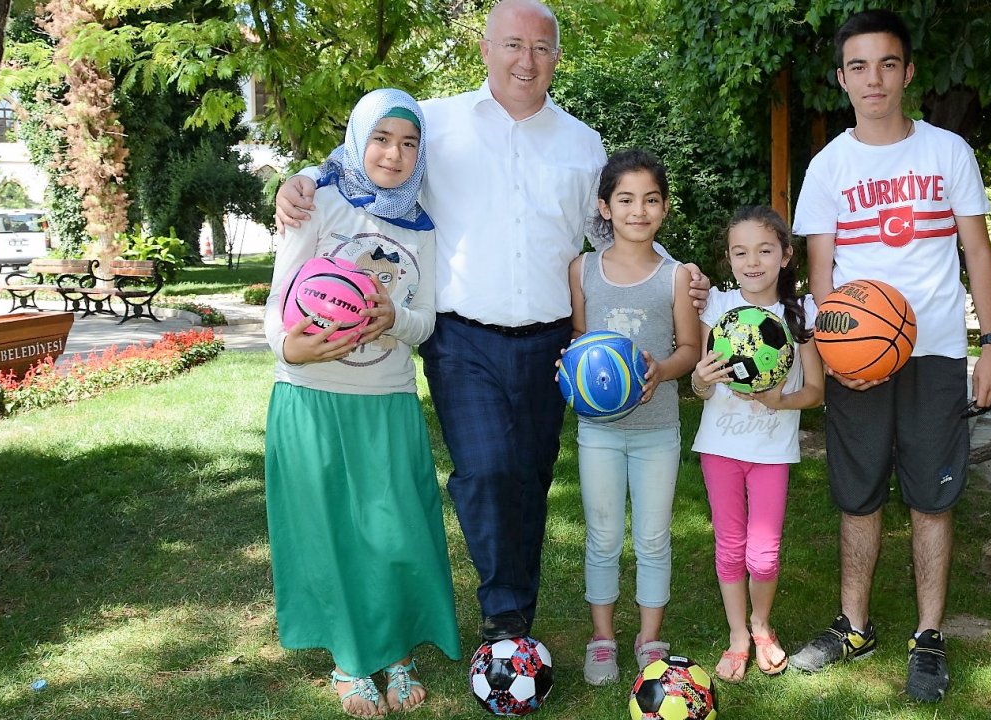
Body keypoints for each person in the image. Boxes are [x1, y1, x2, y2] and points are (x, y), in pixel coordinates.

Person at [274, 0, 710, 647]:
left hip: (550, 340)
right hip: (460, 336)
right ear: (485, 49)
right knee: (484, 471)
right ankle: (504, 617)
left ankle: (515, 611)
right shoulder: (439, 123)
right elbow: (368, 161)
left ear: (557, 58)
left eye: (540, 48)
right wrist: (302, 180)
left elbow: (615, 229)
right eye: (512, 45)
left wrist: (680, 273)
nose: (525, 60)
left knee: (530, 476)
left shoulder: (582, 144)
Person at [787, 9, 991, 703]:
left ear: (907, 72)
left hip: (936, 350)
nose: (873, 78)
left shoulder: (948, 153)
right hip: (857, 355)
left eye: (887, 63)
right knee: (857, 496)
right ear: (842, 78)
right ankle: (854, 625)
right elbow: (820, 275)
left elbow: (976, 251)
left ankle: (929, 635)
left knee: (931, 498)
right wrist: (829, 349)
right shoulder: (828, 166)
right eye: (858, 66)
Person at [263, 88, 459, 718]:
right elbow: (277, 304)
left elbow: (425, 321)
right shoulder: (315, 202)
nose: (394, 154)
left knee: (394, 530)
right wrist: (292, 352)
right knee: (328, 533)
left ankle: (396, 649)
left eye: (409, 143)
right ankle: (349, 658)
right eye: (381, 137)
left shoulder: (423, 227)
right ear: (357, 138)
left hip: (387, 400)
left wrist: (390, 318)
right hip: (311, 399)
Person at [567, 149, 700, 686]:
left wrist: (660, 370)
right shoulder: (583, 270)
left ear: (665, 209)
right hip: (598, 432)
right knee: (602, 535)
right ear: (605, 207)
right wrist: (571, 368)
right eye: (625, 199)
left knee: (652, 537)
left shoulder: (676, 277)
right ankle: (603, 638)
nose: (638, 210)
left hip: (656, 431)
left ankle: (650, 640)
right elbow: (578, 340)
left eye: (650, 200)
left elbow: (690, 347)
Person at [690, 206, 825, 684]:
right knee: (730, 546)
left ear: (786, 255)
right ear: (728, 258)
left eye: (765, 250)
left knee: (763, 552)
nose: (753, 262)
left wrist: (777, 399)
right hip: (720, 447)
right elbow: (703, 387)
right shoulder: (717, 309)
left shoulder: (799, 312)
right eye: (740, 252)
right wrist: (700, 379)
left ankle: (762, 626)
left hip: (771, 452)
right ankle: (737, 637)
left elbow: (815, 391)